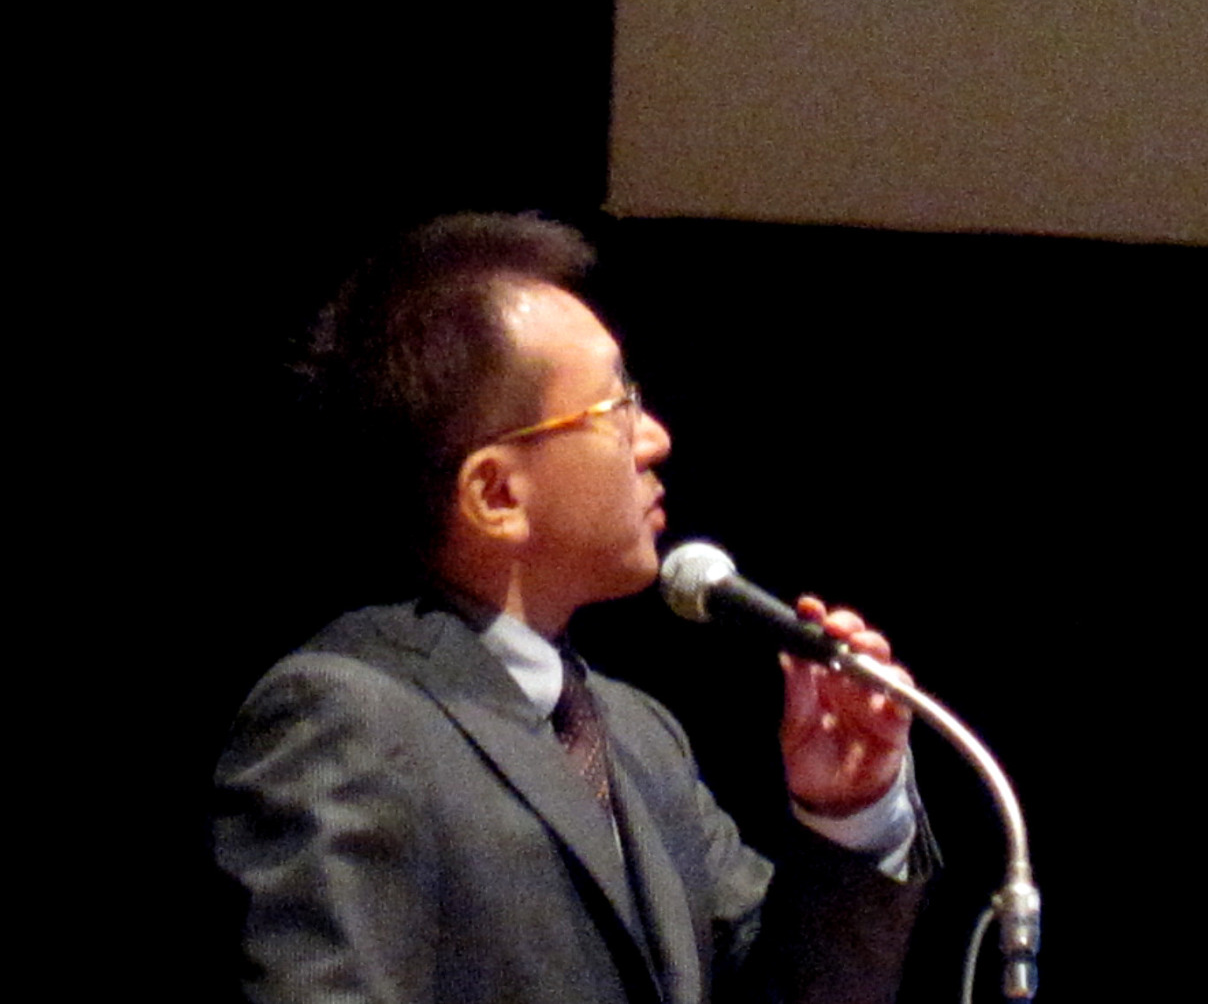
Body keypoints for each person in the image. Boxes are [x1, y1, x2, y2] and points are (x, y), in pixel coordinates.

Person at [213, 213, 936, 1003]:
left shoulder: (638, 736)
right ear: (496, 494)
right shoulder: (347, 716)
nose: (654, 438)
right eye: (615, 407)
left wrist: (849, 815)